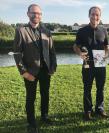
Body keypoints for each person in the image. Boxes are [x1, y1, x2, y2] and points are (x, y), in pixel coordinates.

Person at [13, 4, 57, 133]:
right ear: (28, 14)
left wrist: (53, 67)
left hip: (46, 71)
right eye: (33, 13)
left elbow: (52, 52)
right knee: (30, 98)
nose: (36, 15)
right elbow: (17, 54)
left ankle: (44, 116)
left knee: (45, 95)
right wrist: (24, 72)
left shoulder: (47, 31)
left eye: (38, 13)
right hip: (30, 72)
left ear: (41, 15)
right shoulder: (21, 31)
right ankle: (31, 123)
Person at [73, 6, 109, 120]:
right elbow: (75, 46)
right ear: (89, 15)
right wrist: (80, 54)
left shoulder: (104, 30)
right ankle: (88, 110)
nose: (95, 16)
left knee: (100, 88)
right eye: (93, 14)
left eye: (97, 14)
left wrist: (106, 55)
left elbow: (107, 46)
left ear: (100, 16)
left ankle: (100, 109)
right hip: (87, 63)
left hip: (100, 63)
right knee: (87, 88)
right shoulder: (82, 31)